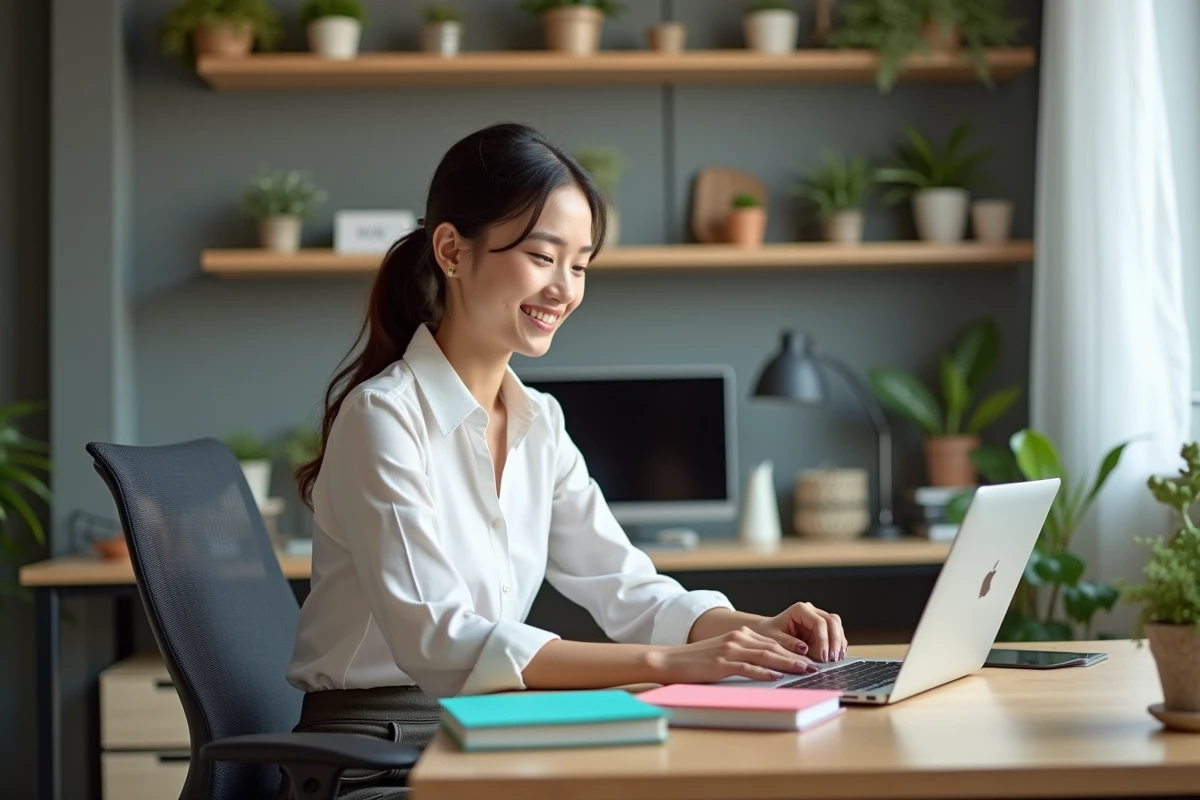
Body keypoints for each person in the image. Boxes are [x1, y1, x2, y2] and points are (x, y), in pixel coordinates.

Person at [281, 122, 847, 799]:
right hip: (378, 758)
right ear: (453, 252)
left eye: (579, 265)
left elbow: (628, 588)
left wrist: (757, 631)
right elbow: (440, 638)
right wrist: (678, 662)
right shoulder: (384, 418)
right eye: (543, 256)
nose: (564, 289)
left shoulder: (540, 423)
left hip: (489, 737)